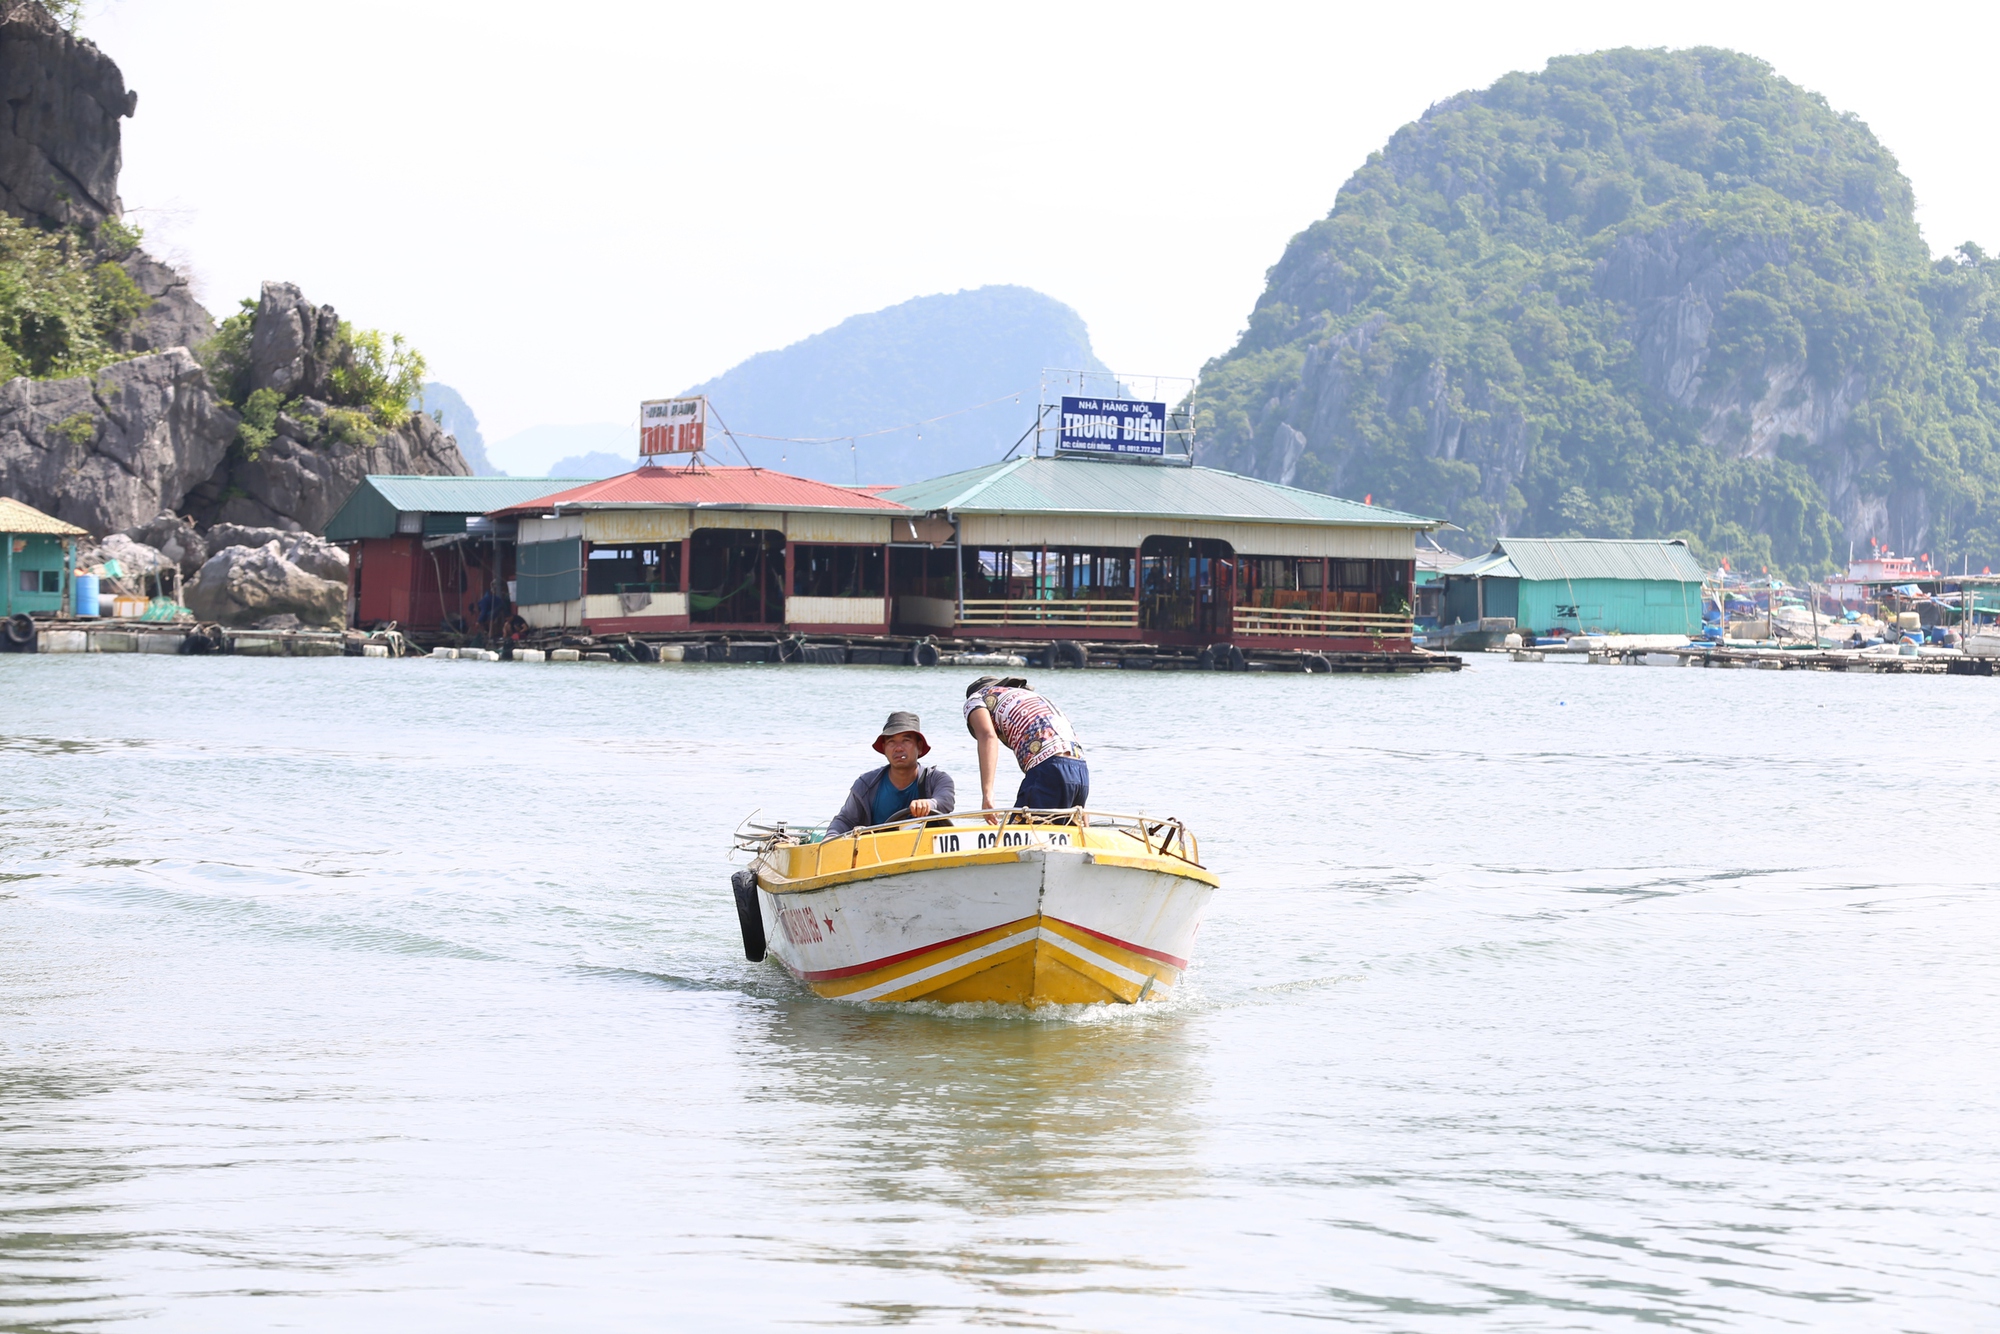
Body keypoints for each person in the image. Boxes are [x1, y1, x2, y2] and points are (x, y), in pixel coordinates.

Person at [962, 675, 1087, 819]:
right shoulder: (1030, 697)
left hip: (1049, 769)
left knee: (1019, 838)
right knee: (1065, 838)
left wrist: (987, 794)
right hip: (1080, 771)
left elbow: (988, 736)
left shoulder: (977, 698)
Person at [826, 711, 958, 836]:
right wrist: (830, 837)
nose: (899, 748)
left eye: (906, 741)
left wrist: (929, 804)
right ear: (884, 748)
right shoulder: (866, 784)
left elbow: (945, 801)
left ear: (919, 746)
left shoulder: (938, 780)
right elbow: (845, 821)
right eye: (891, 742)